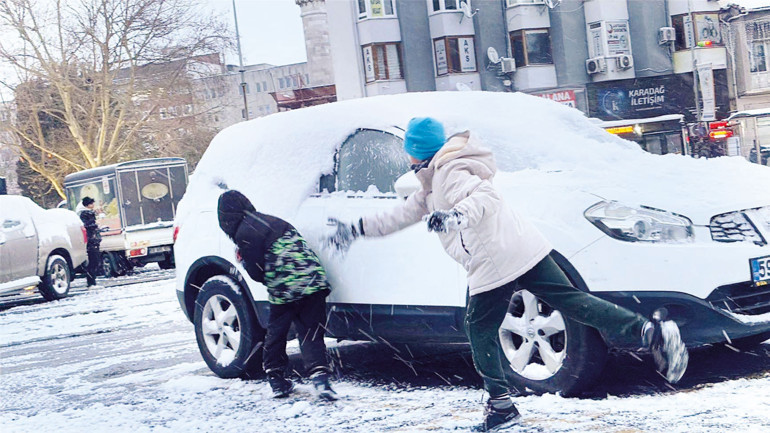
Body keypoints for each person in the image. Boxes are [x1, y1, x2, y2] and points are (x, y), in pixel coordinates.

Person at [325, 117, 688, 432]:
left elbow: (484, 197)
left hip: (494, 260)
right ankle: (649, 331)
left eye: (408, 149)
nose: (407, 156)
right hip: (525, 246)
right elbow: (399, 215)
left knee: (479, 328)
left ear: (417, 150)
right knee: (574, 302)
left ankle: (501, 406)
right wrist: (356, 227)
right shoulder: (432, 182)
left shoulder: (449, 174)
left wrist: (455, 217)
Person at [217, 189, 338, 401]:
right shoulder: (273, 221)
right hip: (313, 278)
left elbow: (256, 271)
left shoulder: (244, 233)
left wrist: (244, 262)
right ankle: (320, 379)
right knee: (311, 331)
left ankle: (277, 379)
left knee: (276, 332)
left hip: (285, 285)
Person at [77, 196, 102, 288]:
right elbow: (87, 226)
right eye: (91, 203)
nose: (93, 205)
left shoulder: (88, 213)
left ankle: (92, 282)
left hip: (93, 240)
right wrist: (95, 225)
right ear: (87, 205)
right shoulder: (84, 214)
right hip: (91, 241)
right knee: (93, 261)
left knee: (95, 261)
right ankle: (91, 282)